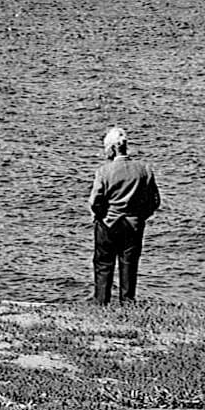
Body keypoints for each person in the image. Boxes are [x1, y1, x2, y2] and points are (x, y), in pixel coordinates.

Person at [88, 125, 161, 305]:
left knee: (104, 264)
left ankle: (101, 303)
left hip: (109, 222)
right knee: (129, 265)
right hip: (133, 223)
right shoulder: (144, 169)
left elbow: (95, 201)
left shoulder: (104, 171)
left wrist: (100, 215)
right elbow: (155, 200)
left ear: (112, 148)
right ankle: (127, 303)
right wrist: (142, 215)